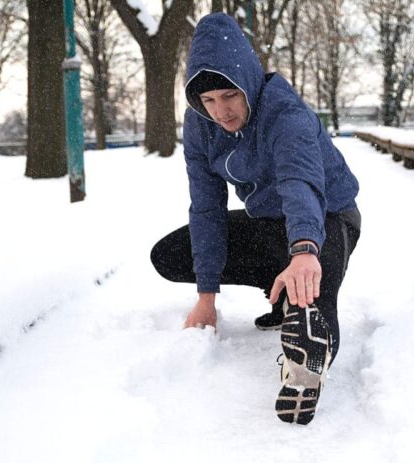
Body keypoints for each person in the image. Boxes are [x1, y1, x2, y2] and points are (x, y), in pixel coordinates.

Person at [150, 12, 361, 425]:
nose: (221, 112)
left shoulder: (284, 111)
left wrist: (303, 250)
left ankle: (307, 355)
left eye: (228, 95)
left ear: (247, 80)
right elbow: (206, 207)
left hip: (327, 215)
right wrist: (206, 296)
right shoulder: (200, 125)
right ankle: (281, 290)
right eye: (208, 101)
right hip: (269, 222)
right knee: (172, 254)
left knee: (313, 289)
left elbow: (300, 181)